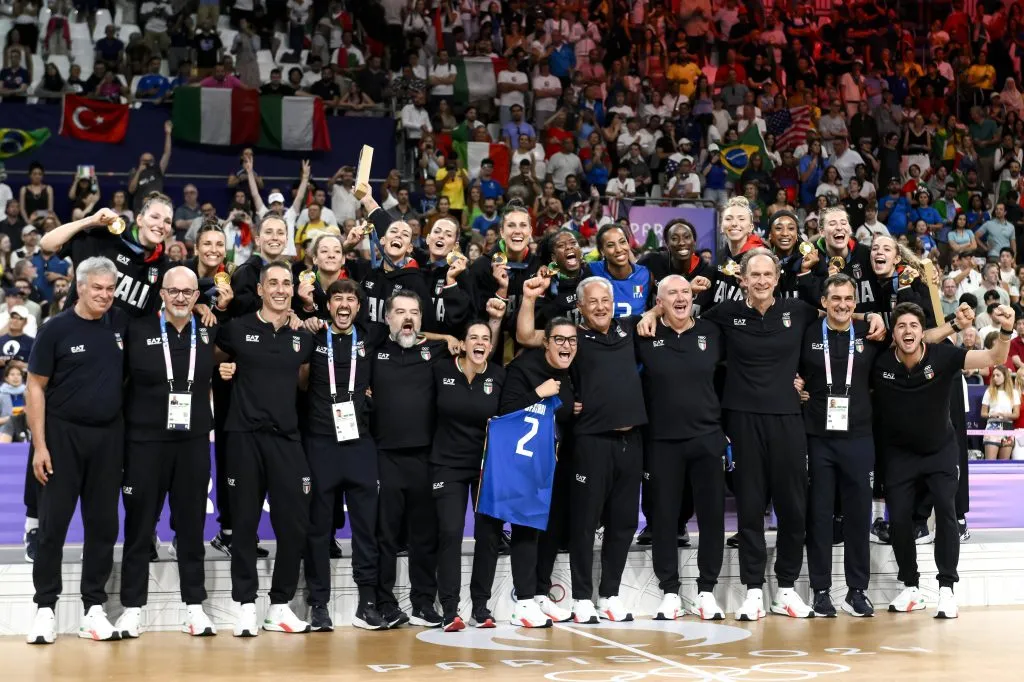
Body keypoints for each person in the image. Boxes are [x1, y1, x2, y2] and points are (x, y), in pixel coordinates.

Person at [681, 248, 884, 621]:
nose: (761, 281)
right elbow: (683, 323)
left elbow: (836, 315)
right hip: (743, 420)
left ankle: (786, 589)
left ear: (777, 279)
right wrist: (649, 315)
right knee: (750, 508)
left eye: (767, 275)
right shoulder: (724, 315)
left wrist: (871, 316)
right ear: (742, 279)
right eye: (754, 275)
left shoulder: (799, 311)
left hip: (790, 419)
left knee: (793, 507)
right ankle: (754, 590)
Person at [517, 276, 647, 623]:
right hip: (591, 442)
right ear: (580, 307)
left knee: (623, 523)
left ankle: (610, 595)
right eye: (593, 302)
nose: (601, 307)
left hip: (632, 440)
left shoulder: (629, 328)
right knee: (584, 524)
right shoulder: (573, 338)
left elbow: (664, 314)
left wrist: (659, 309)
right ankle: (581, 597)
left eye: (605, 300)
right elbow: (527, 337)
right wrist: (529, 298)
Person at [874, 302, 1014, 619]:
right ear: (893, 334)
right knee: (899, 523)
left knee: (946, 514)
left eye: (913, 326)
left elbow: (994, 358)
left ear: (923, 332)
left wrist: (1005, 331)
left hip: (940, 451)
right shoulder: (880, 363)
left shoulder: (945, 357)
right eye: (901, 326)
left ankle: (947, 589)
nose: (907, 331)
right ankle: (910, 587)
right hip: (900, 456)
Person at [26, 257, 129, 645]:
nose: (105, 295)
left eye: (109, 288)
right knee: (53, 527)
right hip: (62, 438)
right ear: (79, 287)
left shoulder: (120, 323)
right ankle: (45, 609)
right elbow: (35, 386)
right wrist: (40, 446)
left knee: (103, 527)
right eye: (97, 288)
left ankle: (93, 609)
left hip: (108, 439)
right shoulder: (55, 329)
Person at [116, 267, 222, 638]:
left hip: (193, 444)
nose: (180, 297)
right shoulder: (138, 329)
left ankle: (194, 607)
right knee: (139, 528)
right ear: (162, 293)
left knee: (192, 529)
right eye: (173, 291)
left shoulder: (209, 330)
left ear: (197, 296)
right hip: (145, 444)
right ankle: (131, 609)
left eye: (188, 292)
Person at [216, 261, 314, 636]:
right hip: (243, 437)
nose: (279, 289)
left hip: (287, 439)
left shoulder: (302, 337)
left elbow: (306, 382)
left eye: (286, 283)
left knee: (293, 525)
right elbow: (213, 356)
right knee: (243, 526)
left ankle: (279, 605)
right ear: (259, 289)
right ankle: (244, 604)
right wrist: (223, 369)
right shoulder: (237, 330)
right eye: (272, 283)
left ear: (292, 289)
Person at [634, 275, 727, 621]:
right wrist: (647, 316)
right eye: (671, 292)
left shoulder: (712, 331)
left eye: (686, 292)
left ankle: (706, 591)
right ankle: (670, 592)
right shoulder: (643, 332)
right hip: (662, 442)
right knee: (663, 518)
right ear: (659, 302)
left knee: (712, 517)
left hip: (706, 439)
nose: (680, 297)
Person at [301, 279, 387, 631]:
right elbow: (300, 379)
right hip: (321, 443)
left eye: (351, 299)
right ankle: (318, 604)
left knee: (367, 529)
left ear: (359, 306)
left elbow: (414, 328)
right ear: (328, 304)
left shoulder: (371, 335)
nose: (344, 304)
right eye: (337, 298)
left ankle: (367, 603)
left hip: (359, 444)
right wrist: (304, 316)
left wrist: (450, 339)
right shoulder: (313, 334)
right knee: (318, 530)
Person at [371, 291, 449, 629]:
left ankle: (422, 603)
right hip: (384, 457)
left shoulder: (436, 351)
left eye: (414, 313)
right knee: (386, 537)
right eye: (400, 312)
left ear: (421, 320)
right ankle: (385, 603)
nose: (407, 318)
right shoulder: (372, 352)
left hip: (425, 458)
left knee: (424, 537)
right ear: (387, 317)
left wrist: (447, 337)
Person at [498, 316, 578, 626]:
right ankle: (524, 600)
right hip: (526, 462)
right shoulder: (523, 369)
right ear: (545, 342)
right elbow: (505, 410)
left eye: (571, 340)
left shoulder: (570, 372)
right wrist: (539, 394)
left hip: (556, 464)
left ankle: (541, 593)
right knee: (526, 529)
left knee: (552, 529)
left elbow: (567, 411)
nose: (566, 345)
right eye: (559, 339)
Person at [431, 309, 506, 631]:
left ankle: (481, 606)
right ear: (461, 344)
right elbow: (414, 335)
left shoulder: (500, 377)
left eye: (485, 339)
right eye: (473, 337)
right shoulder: (439, 370)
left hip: (486, 467)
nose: (480, 343)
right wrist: (442, 337)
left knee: (488, 535)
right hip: (446, 463)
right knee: (449, 532)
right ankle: (450, 609)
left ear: (490, 346)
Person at [40, 196, 172, 317]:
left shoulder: (164, 267)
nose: (161, 225)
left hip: (121, 342)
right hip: (75, 333)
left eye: (167, 221)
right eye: (155, 217)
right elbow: (47, 244)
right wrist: (90, 220)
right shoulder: (105, 237)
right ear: (139, 220)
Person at [638, 219, 715, 315]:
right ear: (667, 244)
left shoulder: (709, 272)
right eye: (674, 238)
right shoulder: (651, 261)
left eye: (687, 237)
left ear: (694, 242)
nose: (681, 243)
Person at [588, 224, 653, 317]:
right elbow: (559, 266)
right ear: (602, 251)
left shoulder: (645, 275)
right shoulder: (591, 271)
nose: (618, 249)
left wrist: (653, 313)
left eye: (622, 242)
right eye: (610, 245)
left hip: (636, 331)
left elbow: (659, 305)